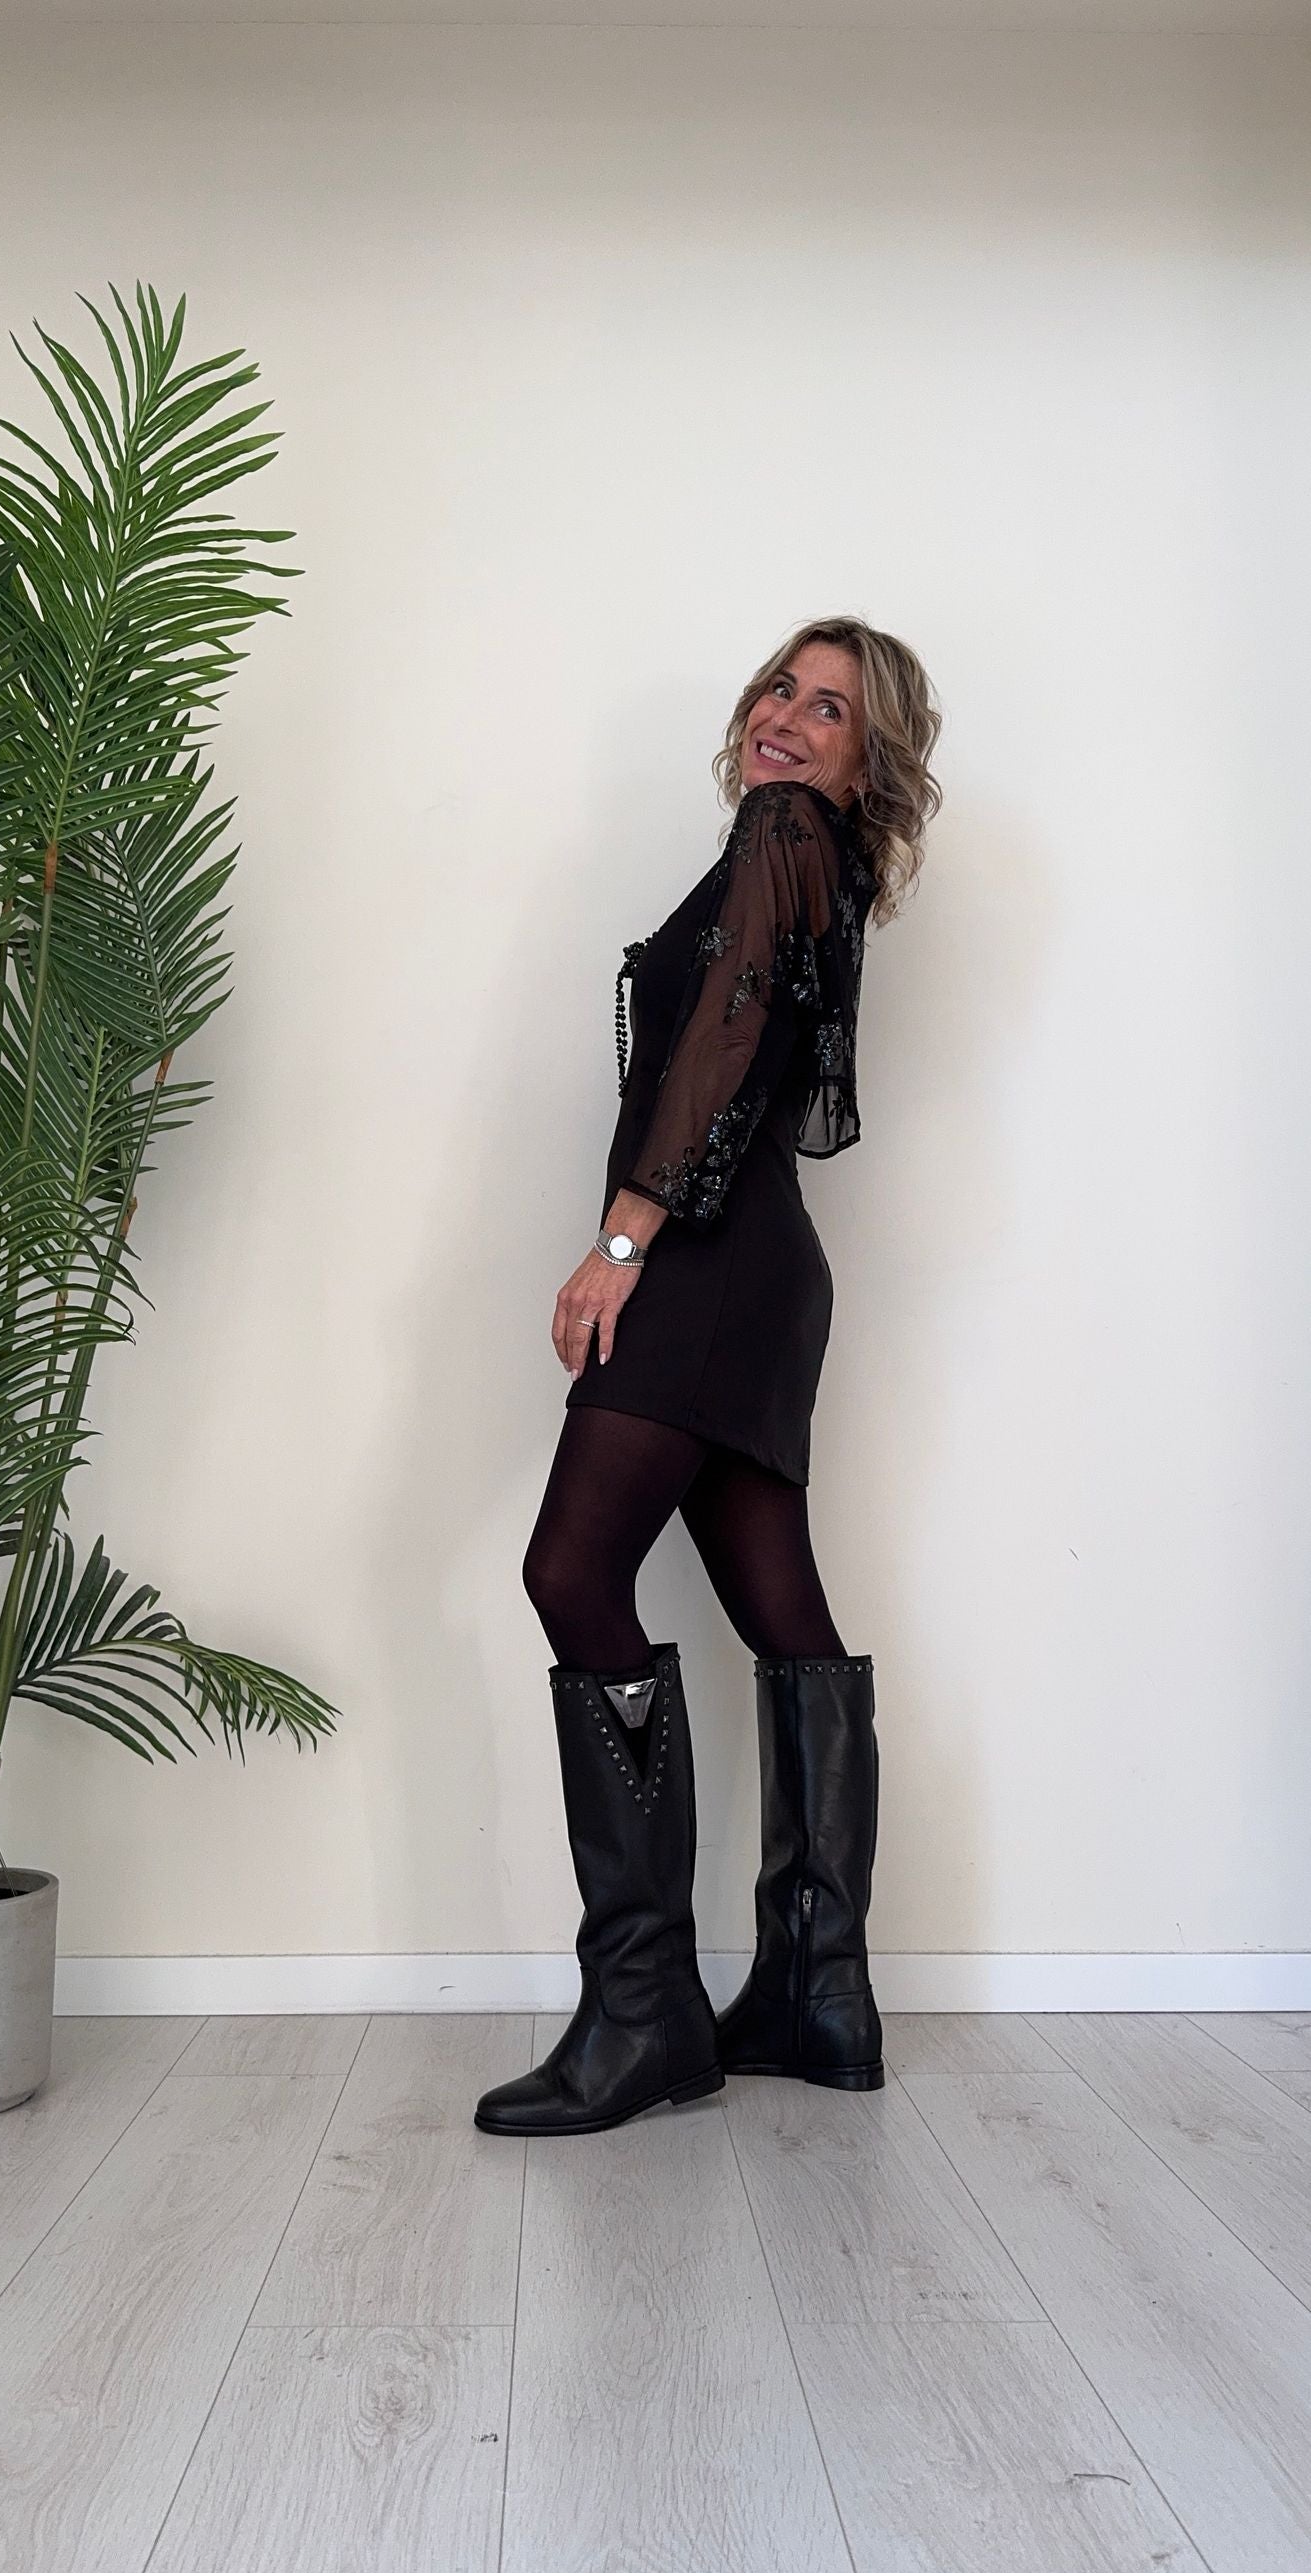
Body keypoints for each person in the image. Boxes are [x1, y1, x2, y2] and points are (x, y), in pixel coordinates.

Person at [474, 617, 942, 2137]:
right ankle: (816, 1992)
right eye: (780, 688)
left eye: (832, 709)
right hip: (763, 1273)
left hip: (708, 1264)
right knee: (780, 1608)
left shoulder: (782, 833)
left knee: (570, 1572)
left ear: (868, 763)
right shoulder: (819, 857)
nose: (788, 718)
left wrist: (622, 1242)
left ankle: (645, 2014)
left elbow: (726, 1035)